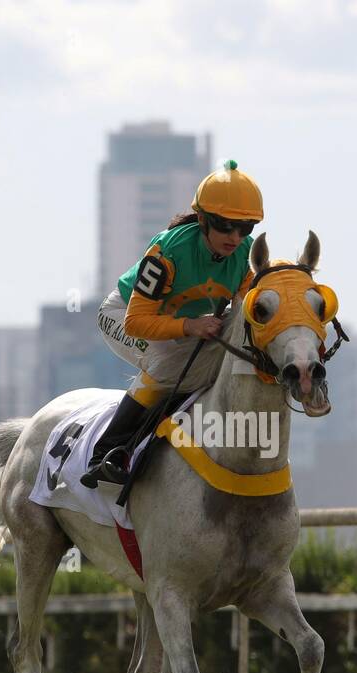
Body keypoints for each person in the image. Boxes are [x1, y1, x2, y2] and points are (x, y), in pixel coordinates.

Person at [81, 159, 263, 488]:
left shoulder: (244, 254)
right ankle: (107, 454)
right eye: (225, 225)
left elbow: (244, 311)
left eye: (245, 228)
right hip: (122, 315)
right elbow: (136, 322)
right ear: (205, 220)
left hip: (179, 322)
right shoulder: (168, 251)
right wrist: (192, 327)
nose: (235, 237)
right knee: (168, 365)